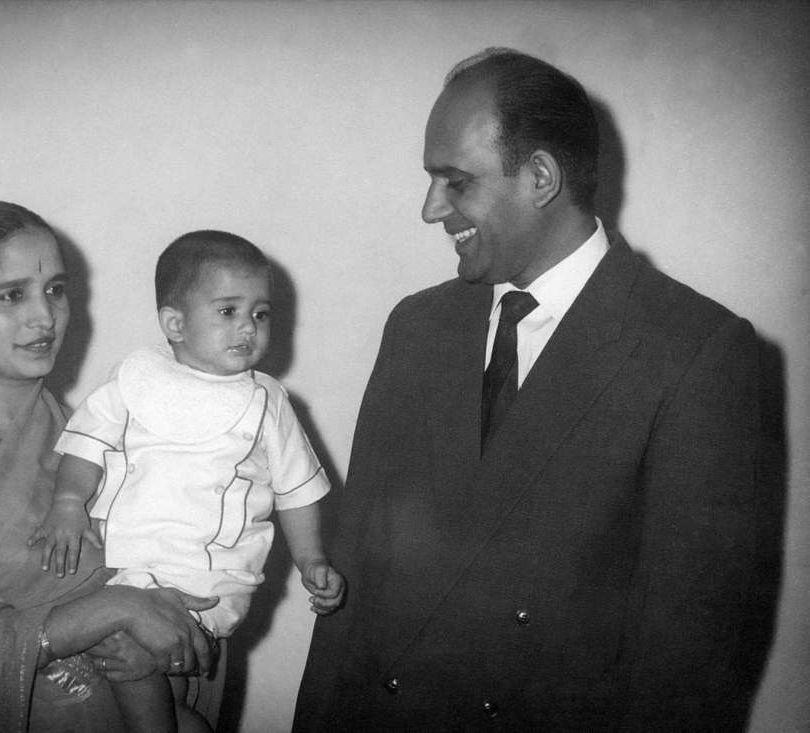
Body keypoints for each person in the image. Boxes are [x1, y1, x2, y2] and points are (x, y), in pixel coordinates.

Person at [294, 48, 768, 731]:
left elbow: (685, 666)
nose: (431, 209)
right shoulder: (417, 325)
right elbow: (354, 580)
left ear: (541, 176)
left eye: (455, 181)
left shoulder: (695, 351)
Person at [0, 200, 220, 732]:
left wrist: (153, 621)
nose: (44, 316)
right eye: (12, 295)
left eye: (55, 289)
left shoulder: (68, 423)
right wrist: (109, 611)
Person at [30, 230, 346, 731]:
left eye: (260, 314)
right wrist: (69, 500)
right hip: (124, 564)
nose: (248, 327)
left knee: (132, 650)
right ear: (174, 323)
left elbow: (296, 490)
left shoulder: (268, 402)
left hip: (208, 578)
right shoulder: (135, 379)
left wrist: (312, 559)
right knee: (137, 661)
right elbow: (86, 442)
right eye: (228, 312)